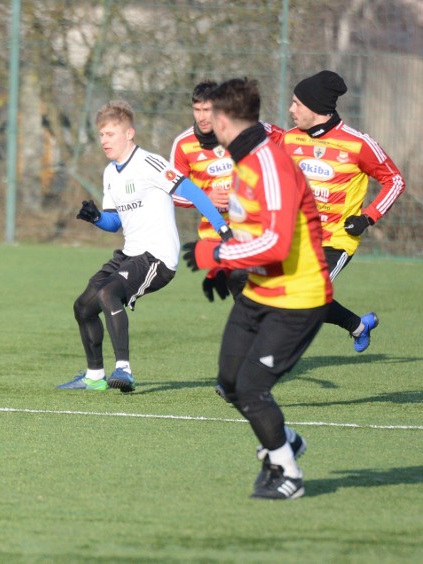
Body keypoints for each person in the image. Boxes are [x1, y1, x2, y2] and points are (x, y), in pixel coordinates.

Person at [182, 78, 332, 500]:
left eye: (210, 115)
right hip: (259, 292)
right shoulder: (243, 161)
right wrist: (220, 268)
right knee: (229, 383)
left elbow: (278, 244)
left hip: (299, 298)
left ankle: (288, 473)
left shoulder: (271, 164)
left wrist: (217, 255)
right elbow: (252, 231)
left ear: (224, 120)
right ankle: (284, 439)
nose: (204, 122)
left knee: (251, 387)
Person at [58, 100, 232, 393]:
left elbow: (196, 193)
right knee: (83, 307)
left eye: (110, 134)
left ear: (129, 134)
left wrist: (224, 230)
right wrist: (97, 218)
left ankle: (123, 370)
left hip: (158, 257)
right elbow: (115, 223)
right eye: (101, 135)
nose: (104, 141)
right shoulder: (110, 173)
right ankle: (94, 376)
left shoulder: (150, 163)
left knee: (107, 293)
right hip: (130, 253)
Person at [284, 70, 405, 352]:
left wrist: (368, 217)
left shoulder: (358, 143)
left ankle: (254, 373)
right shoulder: (289, 140)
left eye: (296, 104)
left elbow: (395, 180)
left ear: (315, 107)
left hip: (334, 241)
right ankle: (358, 325)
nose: (291, 109)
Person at [170, 80, 285, 302]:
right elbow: (173, 192)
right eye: (197, 110)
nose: (202, 117)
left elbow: (287, 139)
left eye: (207, 110)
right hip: (214, 234)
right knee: (241, 285)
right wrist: (204, 199)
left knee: (248, 283)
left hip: (251, 227)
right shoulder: (184, 144)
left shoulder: (244, 131)